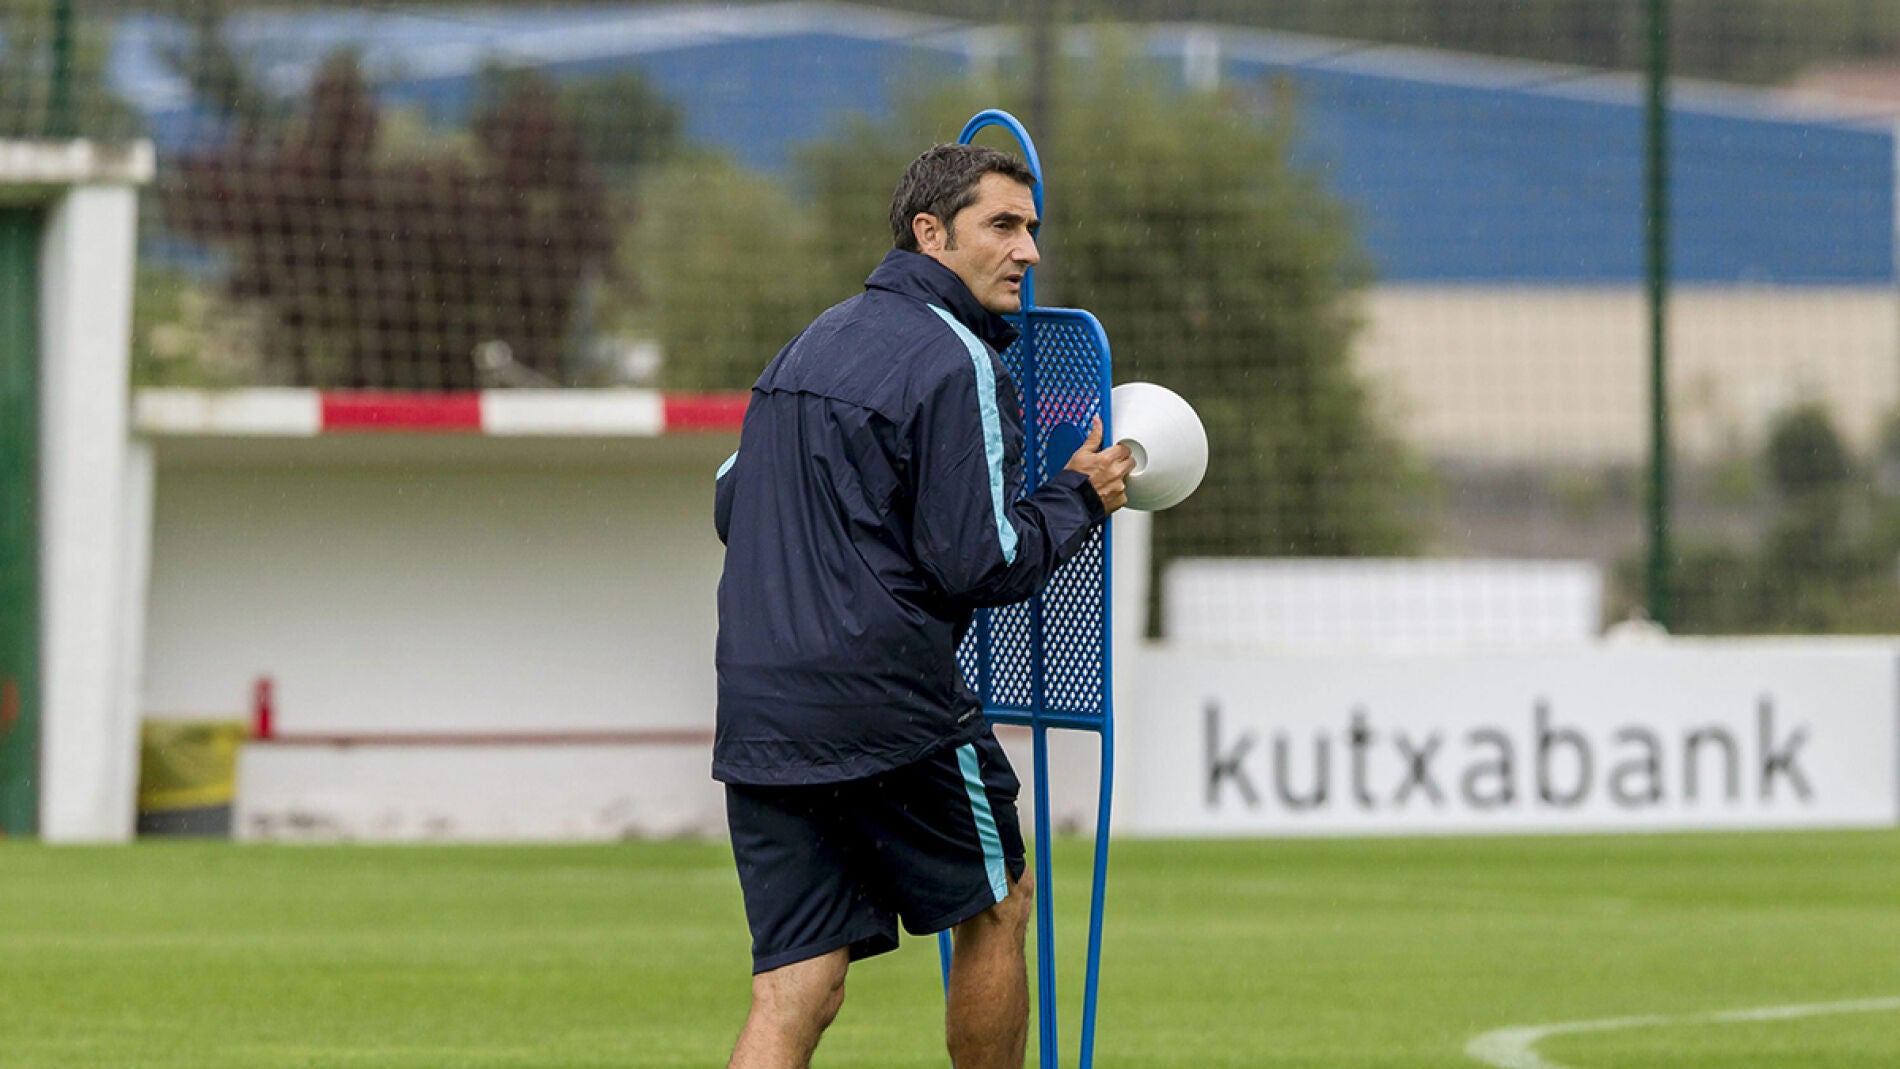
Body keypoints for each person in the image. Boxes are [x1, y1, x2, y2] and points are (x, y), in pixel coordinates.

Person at [711, 142, 1134, 1069]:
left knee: (796, 984)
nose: (1028, 250)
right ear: (930, 232)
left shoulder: (806, 344)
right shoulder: (957, 357)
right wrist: (1079, 497)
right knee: (998, 904)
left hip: (760, 707)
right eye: (1003, 225)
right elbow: (981, 562)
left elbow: (731, 501)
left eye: (1032, 228)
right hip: (889, 702)